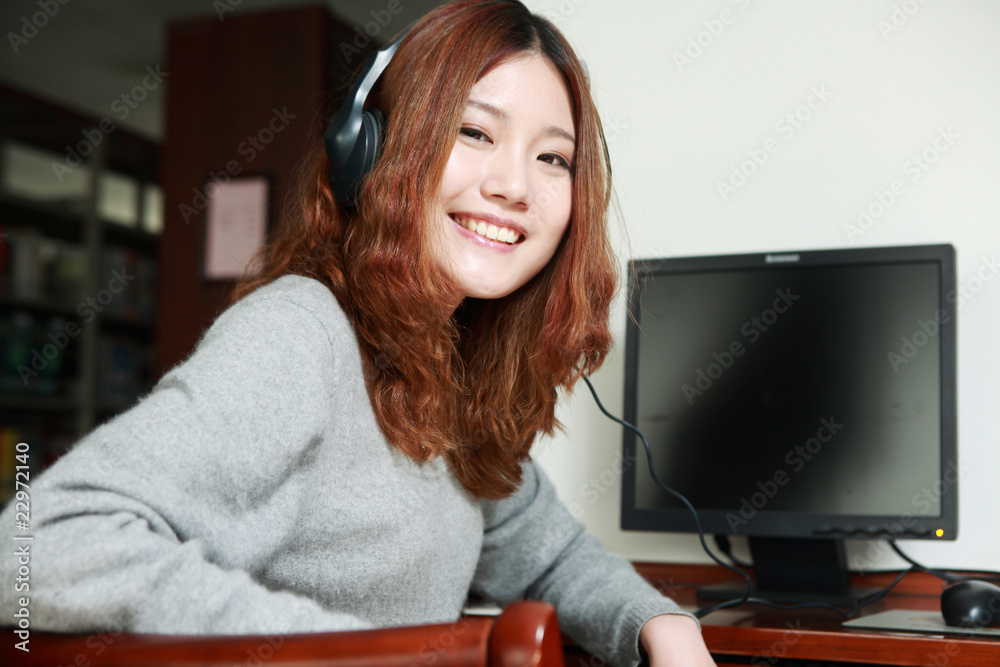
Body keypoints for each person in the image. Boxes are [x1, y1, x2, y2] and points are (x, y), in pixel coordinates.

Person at [0, 2, 716, 665]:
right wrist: (363, 654)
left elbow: (553, 556)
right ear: (368, 150)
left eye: (551, 157)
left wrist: (663, 624)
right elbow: (38, 545)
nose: (514, 185)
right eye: (474, 132)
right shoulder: (299, 334)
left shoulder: (452, 369)